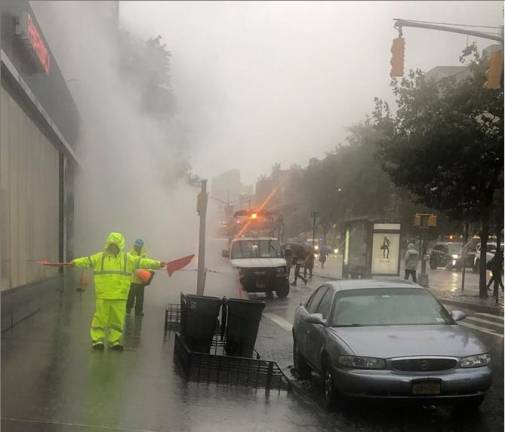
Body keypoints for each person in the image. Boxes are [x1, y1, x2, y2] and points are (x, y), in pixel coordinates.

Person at [72, 232, 165, 351]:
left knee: (117, 320)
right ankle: (97, 340)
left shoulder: (127, 259)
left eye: (115, 245)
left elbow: (142, 262)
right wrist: (74, 262)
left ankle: (114, 341)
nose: (113, 247)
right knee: (100, 318)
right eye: (111, 245)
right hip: (103, 295)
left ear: (120, 245)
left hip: (120, 296)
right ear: (108, 245)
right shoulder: (100, 257)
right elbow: (86, 260)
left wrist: (158, 264)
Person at [127, 238, 152, 316]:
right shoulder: (130, 254)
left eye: (138, 246)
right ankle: (128, 310)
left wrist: (149, 273)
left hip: (141, 280)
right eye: (136, 246)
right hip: (133, 280)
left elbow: (147, 264)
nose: (137, 247)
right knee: (130, 297)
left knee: (140, 298)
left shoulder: (144, 255)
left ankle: (138, 311)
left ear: (141, 247)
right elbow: (128, 265)